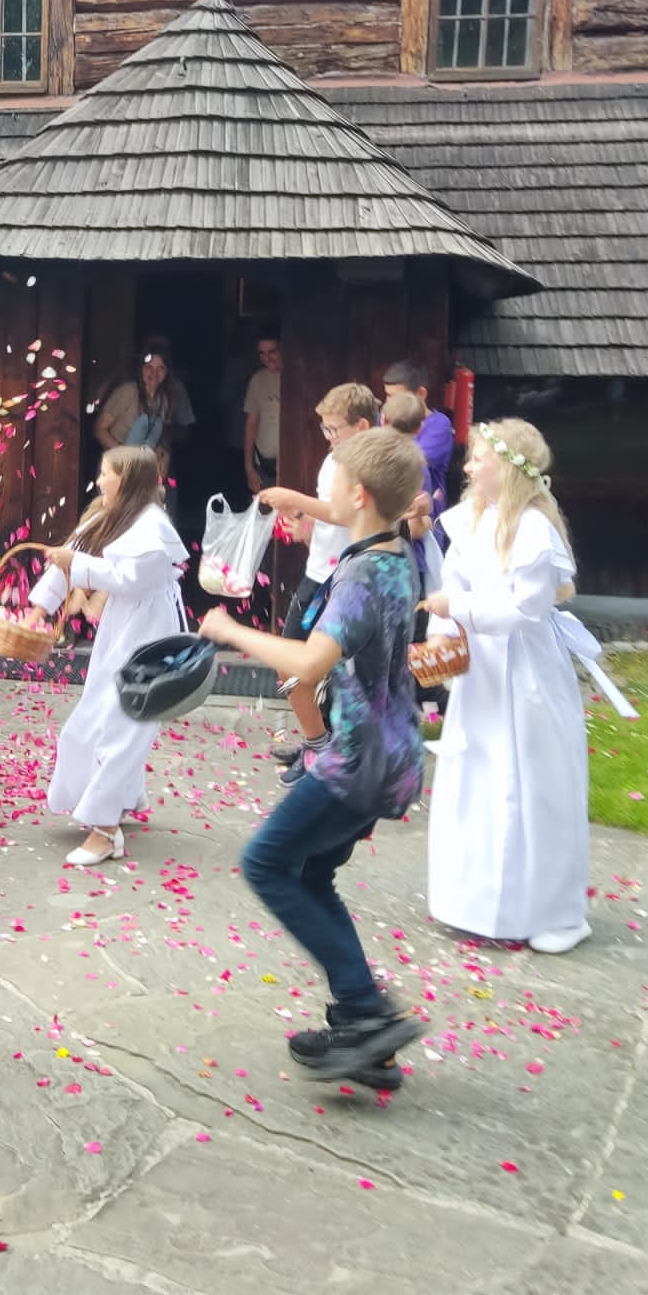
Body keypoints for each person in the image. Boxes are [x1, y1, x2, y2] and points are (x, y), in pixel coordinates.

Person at [201, 428, 428, 1086]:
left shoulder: (359, 576)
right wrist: (294, 500)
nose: (321, 496)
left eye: (330, 483)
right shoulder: (394, 547)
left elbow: (309, 661)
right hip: (394, 754)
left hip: (353, 761)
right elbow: (341, 509)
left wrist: (228, 630)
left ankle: (366, 1012)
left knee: (267, 863)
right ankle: (367, 1032)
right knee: (311, 876)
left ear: (358, 494)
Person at [423, 420, 592, 954]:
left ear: (508, 467)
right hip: (481, 672)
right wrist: (442, 635)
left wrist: (462, 611)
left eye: (477, 459)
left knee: (531, 779)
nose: (468, 468)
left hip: (525, 670)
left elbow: (524, 607)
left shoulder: (535, 530)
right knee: (478, 772)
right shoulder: (473, 519)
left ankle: (550, 910)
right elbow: (452, 584)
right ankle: (471, 901)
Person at [29, 444, 188, 866]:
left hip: (152, 630)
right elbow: (70, 557)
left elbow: (129, 579)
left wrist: (77, 564)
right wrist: (38, 609)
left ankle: (105, 831)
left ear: (129, 480)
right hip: (122, 625)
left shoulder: (153, 528)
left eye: (106, 473)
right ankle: (123, 797)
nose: (99, 481)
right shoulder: (108, 511)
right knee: (96, 713)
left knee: (123, 721)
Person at [259, 383, 379, 775]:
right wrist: (308, 522)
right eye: (324, 429)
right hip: (320, 568)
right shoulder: (337, 458)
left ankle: (323, 748)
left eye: (334, 430)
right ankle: (319, 742)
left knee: (308, 665)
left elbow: (347, 514)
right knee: (293, 663)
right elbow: (332, 513)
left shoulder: (371, 462)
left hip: (343, 576)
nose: (327, 438)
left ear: (361, 426)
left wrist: (294, 500)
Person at [94, 337, 195, 469]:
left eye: (161, 368)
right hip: (114, 468)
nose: (154, 373)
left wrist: (160, 454)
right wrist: (124, 454)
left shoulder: (164, 400)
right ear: (141, 368)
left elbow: (154, 438)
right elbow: (99, 429)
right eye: (149, 367)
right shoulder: (128, 392)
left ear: (167, 372)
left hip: (140, 472)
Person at [382, 360, 454, 529]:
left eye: (396, 396)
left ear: (421, 393)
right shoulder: (385, 415)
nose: (388, 402)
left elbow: (414, 460)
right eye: (387, 395)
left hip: (426, 519)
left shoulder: (439, 425)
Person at [242, 335, 283, 491]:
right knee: (263, 512)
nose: (267, 358)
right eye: (262, 353)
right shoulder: (258, 380)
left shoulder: (299, 376)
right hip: (265, 466)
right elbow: (252, 423)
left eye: (272, 352)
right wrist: (249, 467)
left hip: (294, 465)